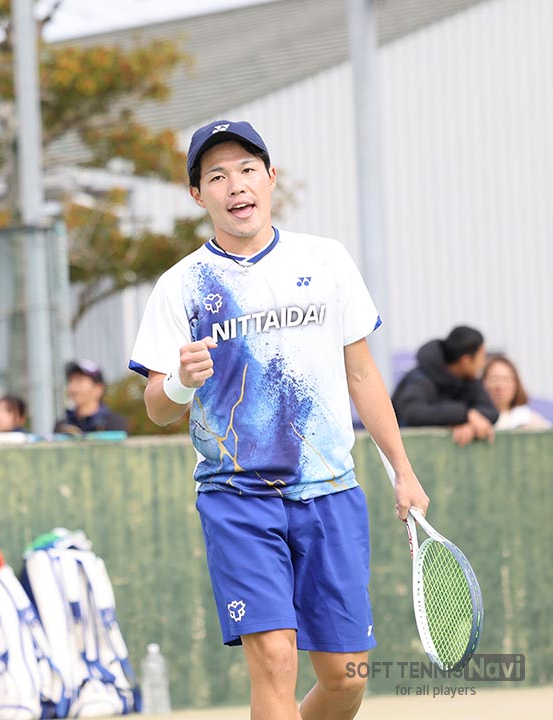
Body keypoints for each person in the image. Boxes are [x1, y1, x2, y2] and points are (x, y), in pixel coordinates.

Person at [129, 119, 428, 720]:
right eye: (217, 176)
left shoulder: (327, 259)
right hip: (236, 496)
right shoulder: (180, 285)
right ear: (198, 195)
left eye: (247, 170)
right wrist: (182, 382)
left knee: (346, 678)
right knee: (274, 659)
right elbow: (157, 407)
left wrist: (403, 470)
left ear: (270, 177)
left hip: (330, 491)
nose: (235, 185)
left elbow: (362, 375)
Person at [392, 326, 499, 447]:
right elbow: (412, 413)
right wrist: (464, 415)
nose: (483, 363)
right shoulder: (420, 379)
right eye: (482, 357)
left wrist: (468, 424)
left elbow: (492, 412)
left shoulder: (469, 379)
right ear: (465, 360)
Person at [54, 359, 128, 434]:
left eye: (79, 381)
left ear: (98, 389)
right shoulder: (62, 426)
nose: (72, 388)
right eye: (70, 381)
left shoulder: (114, 423)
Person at [481, 354, 551, 431]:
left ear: (516, 384)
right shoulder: (476, 419)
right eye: (494, 379)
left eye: (506, 379)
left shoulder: (529, 420)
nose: (500, 386)